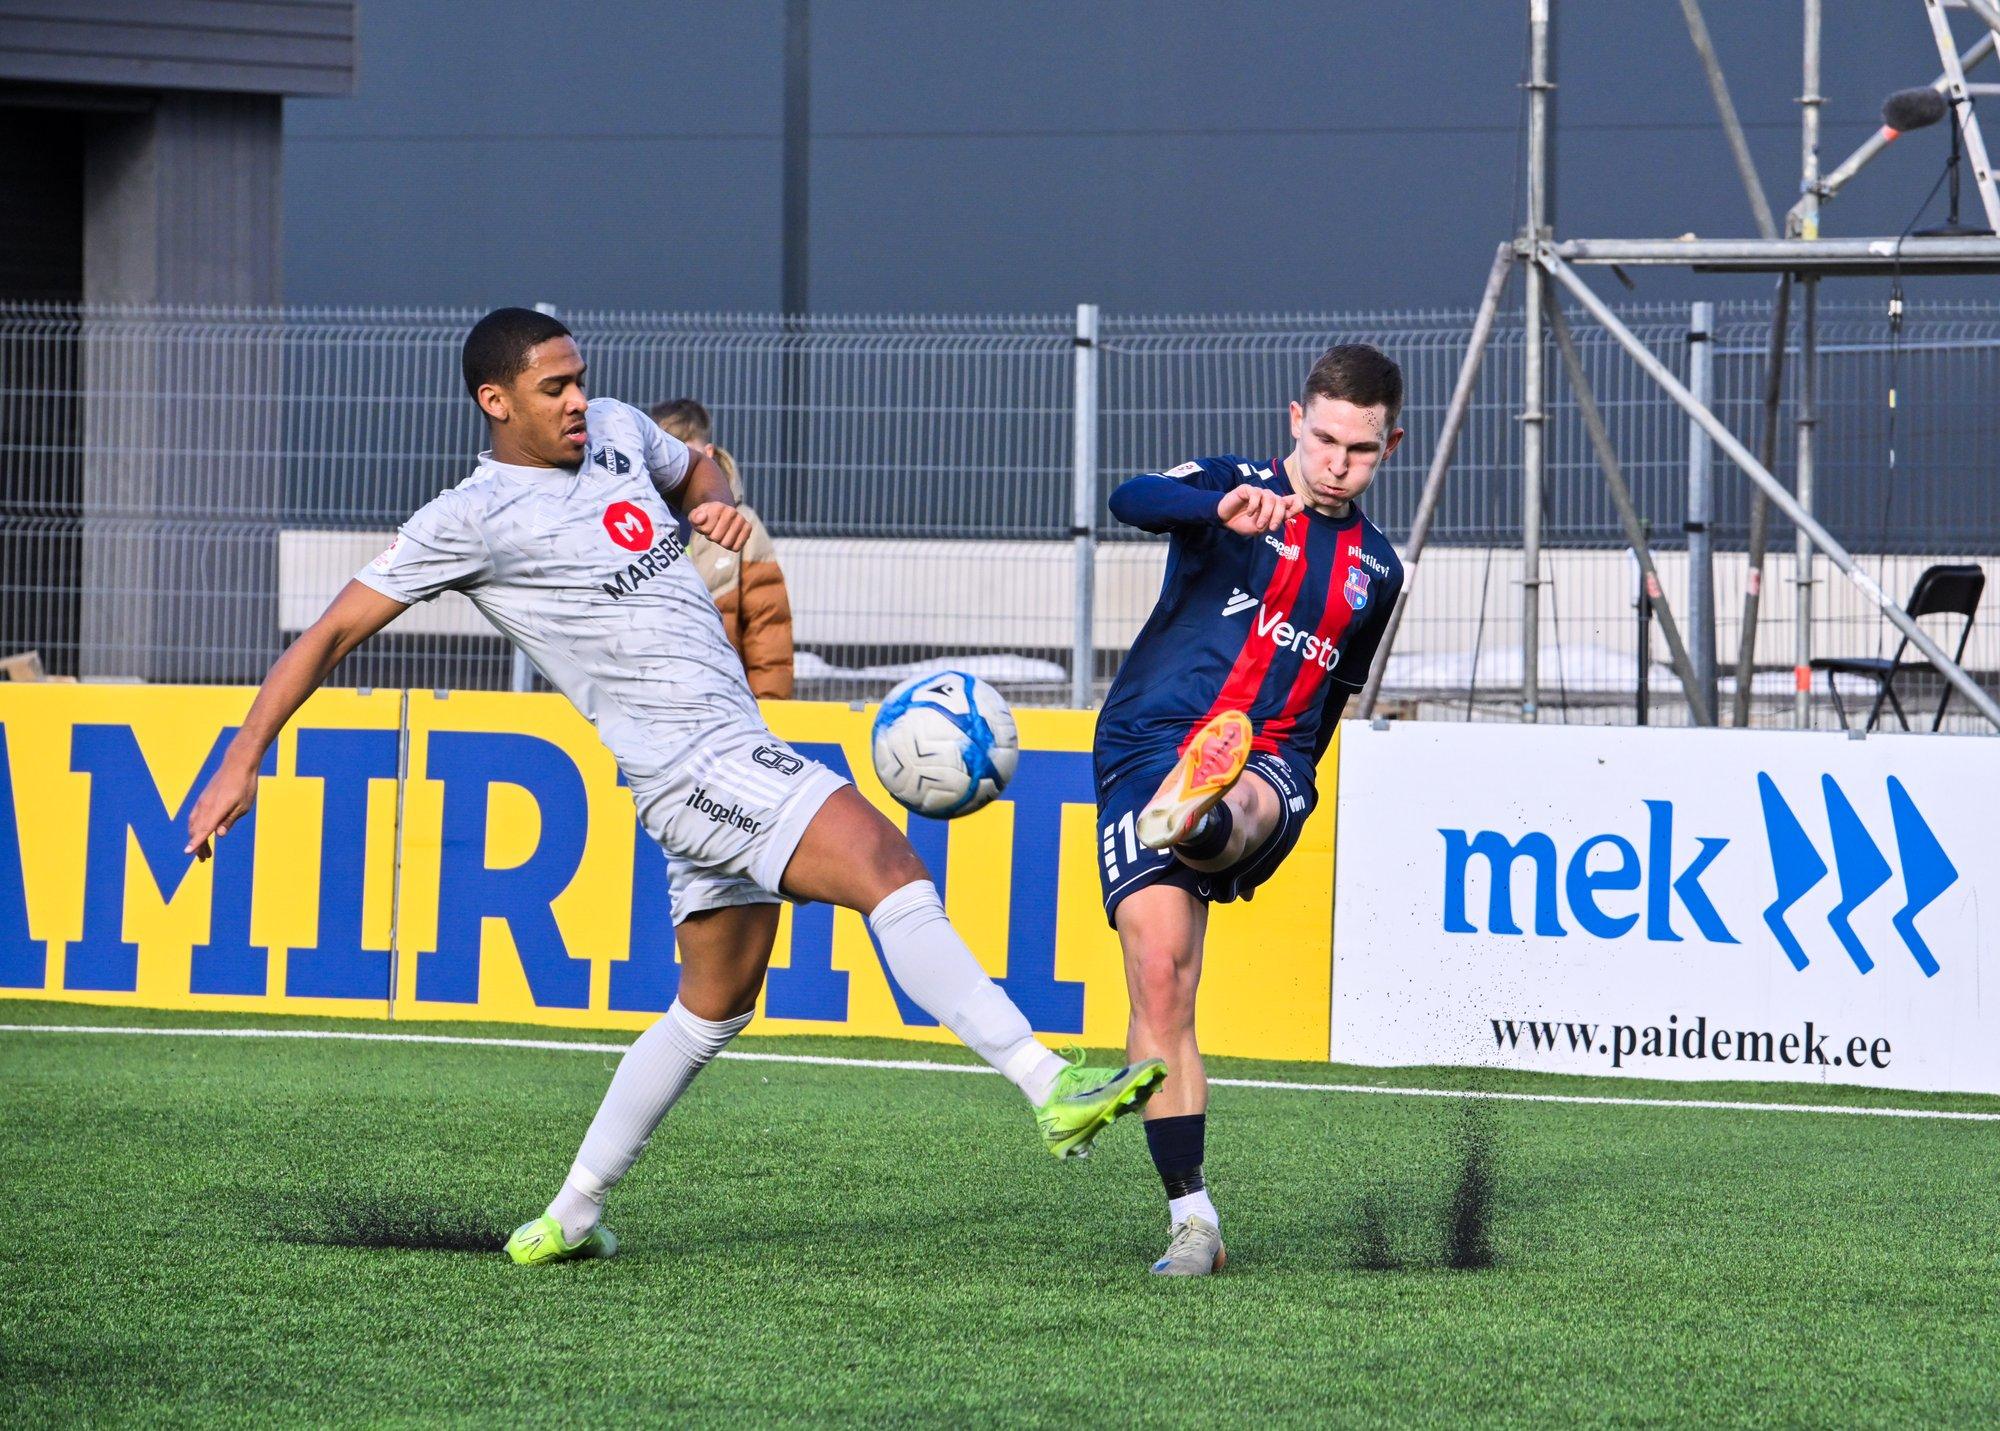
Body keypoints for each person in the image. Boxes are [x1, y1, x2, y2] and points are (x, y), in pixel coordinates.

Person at [183, 307, 1165, 1266]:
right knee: (886, 864)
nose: (577, 399)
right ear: (495, 402)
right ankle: (1046, 1085)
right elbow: (326, 636)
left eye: (577, 376)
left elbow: (687, 467)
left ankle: (568, 1215)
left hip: (727, 744)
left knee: (714, 1003)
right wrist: (240, 760)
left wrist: (705, 501)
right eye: (551, 387)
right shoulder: (467, 520)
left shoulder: (615, 431)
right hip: (690, 769)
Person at [1093, 343, 1407, 1276]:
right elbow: (1131, 497)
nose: (1338, 462)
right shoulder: (1237, 486)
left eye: (1361, 447)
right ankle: (1195, 1222)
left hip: (1269, 752)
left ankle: (1205, 817)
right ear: (1293, 422)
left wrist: (1297, 774)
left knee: (1244, 800)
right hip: (1150, 738)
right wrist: (1212, 508)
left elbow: (1337, 693)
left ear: (1391, 445)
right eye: (1324, 440)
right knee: (1159, 979)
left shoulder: (1377, 571)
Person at [649, 399, 796, 699]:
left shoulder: (742, 524)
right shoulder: (635, 523)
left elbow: (768, 626)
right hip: (650, 701)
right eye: (661, 455)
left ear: (708, 454)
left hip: (726, 702)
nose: (670, 466)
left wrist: (771, 705)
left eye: (681, 453)